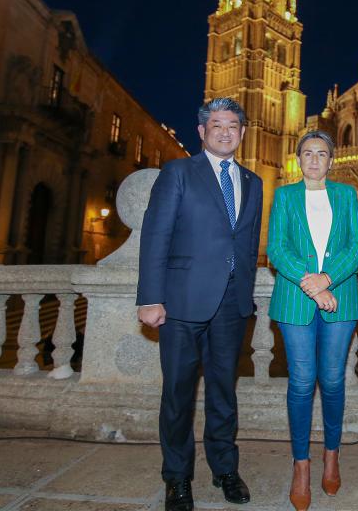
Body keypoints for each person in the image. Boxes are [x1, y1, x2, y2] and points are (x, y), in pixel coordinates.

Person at [136, 97, 262, 511]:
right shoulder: (178, 172)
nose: (226, 131)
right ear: (202, 131)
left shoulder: (253, 180)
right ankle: (177, 477)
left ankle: (225, 468)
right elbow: (156, 236)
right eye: (217, 125)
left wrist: (246, 292)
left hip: (231, 303)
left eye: (233, 126)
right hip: (181, 302)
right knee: (178, 393)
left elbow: (243, 243)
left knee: (224, 392)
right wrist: (151, 297)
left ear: (243, 133)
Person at [267, 130, 358, 511]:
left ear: (331, 160)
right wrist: (313, 285)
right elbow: (277, 248)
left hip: (340, 297)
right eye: (307, 153)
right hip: (295, 300)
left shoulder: (346, 195)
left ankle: (331, 455)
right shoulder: (285, 196)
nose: (314, 159)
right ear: (298, 159)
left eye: (321, 153)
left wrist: (328, 279)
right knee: (302, 382)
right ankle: (302, 466)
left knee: (333, 380)